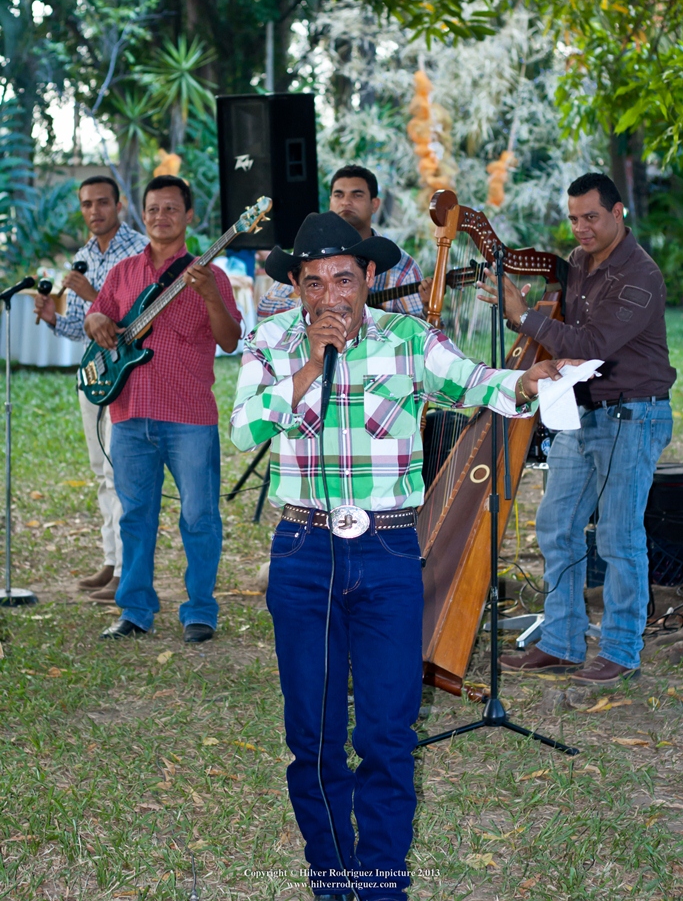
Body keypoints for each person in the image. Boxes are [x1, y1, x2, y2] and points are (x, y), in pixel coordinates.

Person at [231, 211, 577, 901]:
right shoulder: (270, 341)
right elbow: (245, 428)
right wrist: (311, 366)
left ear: (368, 275)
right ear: (296, 288)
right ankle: (333, 879)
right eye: (312, 282)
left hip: (387, 550)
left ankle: (382, 883)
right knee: (314, 738)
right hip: (303, 549)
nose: (329, 295)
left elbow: (476, 381)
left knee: (387, 733)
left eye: (342, 278)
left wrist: (526, 381)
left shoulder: (409, 339)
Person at [478, 172, 676, 686]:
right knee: (556, 525)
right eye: (573, 218)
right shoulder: (580, 263)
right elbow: (570, 335)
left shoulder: (640, 274)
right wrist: (524, 313)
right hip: (581, 410)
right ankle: (561, 642)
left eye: (590, 217)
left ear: (618, 213)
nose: (581, 228)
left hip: (633, 414)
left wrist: (524, 317)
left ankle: (621, 651)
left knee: (618, 535)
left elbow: (591, 344)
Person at [84, 175, 242, 643]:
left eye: (171, 208)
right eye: (153, 209)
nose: (161, 217)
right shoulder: (122, 272)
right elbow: (97, 315)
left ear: (189, 215)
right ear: (142, 214)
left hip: (189, 416)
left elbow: (230, 340)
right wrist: (96, 319)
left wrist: (209, 295)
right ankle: (135, 610)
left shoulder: (210, 275)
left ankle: (200, 611)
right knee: (135, 517)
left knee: (199, 517)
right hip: (129, 414)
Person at [34, 176, 147, 602]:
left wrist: (93, 294)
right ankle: (109, 561)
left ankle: (126, 570)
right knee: (101, 471)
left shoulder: (139, 250)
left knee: (122, 472)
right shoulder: (83, 255)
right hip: (94, 373)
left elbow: (137, 321)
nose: (94, 211)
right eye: (86, 204)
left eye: (102, 202)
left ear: (119, 205)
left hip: (126, 373)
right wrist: (53, 316)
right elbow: (82, 326)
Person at [256, 164, 432, 320]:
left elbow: (418, 332)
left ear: (375, 204)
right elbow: (265, 309)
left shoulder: (402, 267)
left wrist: (427, 310)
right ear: (330, 202)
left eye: (357, 195)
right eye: (338, 195)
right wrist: (314, 305)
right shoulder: (309, 253)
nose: (346, 202)